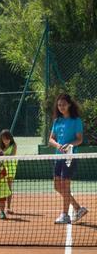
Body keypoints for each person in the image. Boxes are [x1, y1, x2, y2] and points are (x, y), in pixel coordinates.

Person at [48, 93, 88, 224]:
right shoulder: (57, 121)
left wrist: (70, 145)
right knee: (57, 186)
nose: (61, 107)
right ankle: (77, 208)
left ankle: (65, 215)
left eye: (64, 104)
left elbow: (79, 139)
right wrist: (59, 145)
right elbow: (51, 139)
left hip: (70, 157)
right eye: (59, 105)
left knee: (65, 186)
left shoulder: (76, 121)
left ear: (69, 105)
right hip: (58, 157)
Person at [0, 129, 18, 213]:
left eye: (7, 138)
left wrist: (1, 154)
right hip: (2, 169)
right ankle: (0, 208)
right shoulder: (0, 147)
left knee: (9, 188)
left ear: (10, 138)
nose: (5, 140)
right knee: (0, 188)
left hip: (11, 168)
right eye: (3, 139)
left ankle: (8, 208)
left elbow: (11, 155)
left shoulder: (14, 145)